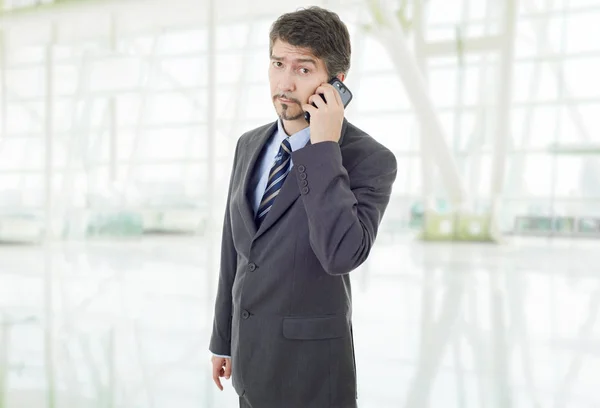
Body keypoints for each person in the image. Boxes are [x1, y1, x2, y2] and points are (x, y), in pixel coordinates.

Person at [209, 6, 397, 408]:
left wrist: (324, 148)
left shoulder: (370, 159)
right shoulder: (249, 144)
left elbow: (341, 254)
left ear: (336, 84)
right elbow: (236, 250)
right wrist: (222, 340)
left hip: (312, 379)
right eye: (279, 64)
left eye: (304, 69)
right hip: (249, 366)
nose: (285, 82)